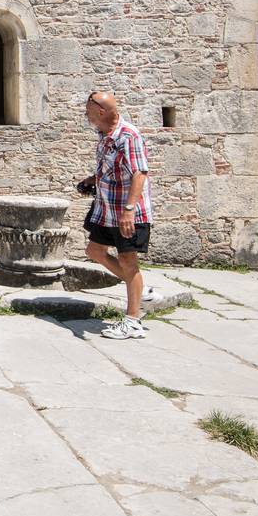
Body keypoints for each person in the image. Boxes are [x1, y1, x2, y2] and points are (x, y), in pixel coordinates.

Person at [77, 91, 154, 339]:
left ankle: (133, 322)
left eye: (88, 109)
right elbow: (113, 169)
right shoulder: (104, 135)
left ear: (100, 111)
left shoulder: (127, 136)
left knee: (128, 262)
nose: (85, 114)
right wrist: (92, 180)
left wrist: (129, 210)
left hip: (126, 212)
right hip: (106, 210)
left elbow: (139, 174)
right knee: (94, 251)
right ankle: (139, 290)